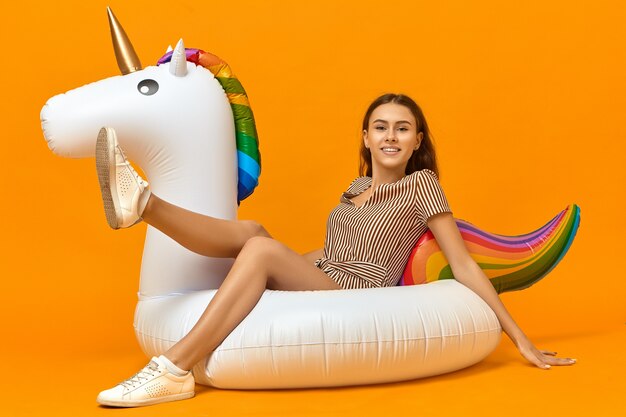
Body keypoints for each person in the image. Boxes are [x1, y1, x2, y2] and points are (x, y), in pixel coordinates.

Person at [95, 93, 576, 407]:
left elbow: (466, 265)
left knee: (260, 249)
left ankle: (172, 370)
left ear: (417, 142)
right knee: (256, 234)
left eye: (402, 129)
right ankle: (142, 204)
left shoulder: (423, 185)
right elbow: (328, 252)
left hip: (356, 289)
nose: (390, 136)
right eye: (380, 127)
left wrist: (521, 340)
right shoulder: (355, 187)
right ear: (365, 138)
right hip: (324, 276)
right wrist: (259, 275)